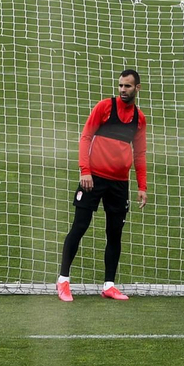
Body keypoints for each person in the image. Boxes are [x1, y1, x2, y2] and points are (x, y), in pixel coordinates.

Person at [57, 69, 149, 302]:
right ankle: (63, 282)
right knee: (79, 227)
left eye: (127, 86)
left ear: (137, 88)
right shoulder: (104, 108)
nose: (122, 90)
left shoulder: (139, 119)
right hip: (93, 179)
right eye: (120, 86)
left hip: (119, 184)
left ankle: (109, 285)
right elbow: (86, 137)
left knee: (115, 234)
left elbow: (140, 154)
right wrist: (85, 171)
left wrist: (142, 186)